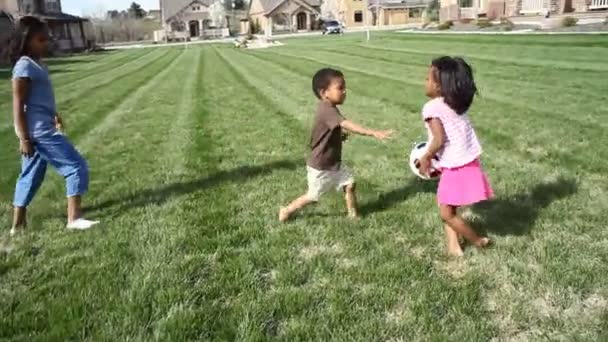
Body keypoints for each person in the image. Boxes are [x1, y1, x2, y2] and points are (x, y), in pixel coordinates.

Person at [9, 16, 98, 236]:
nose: (46, 43)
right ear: (26, 40)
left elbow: (39, 99)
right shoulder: (23, 67)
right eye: (41, 39)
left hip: (42, 128)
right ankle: (74, 219)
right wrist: (24, 138)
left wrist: (55, 114)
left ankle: (17, 226)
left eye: (47, 39)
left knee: (29, 177)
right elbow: (19, 106)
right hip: (41, 133)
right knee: (76, 166)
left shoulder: (38, 64)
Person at [279, 68, 393, 222]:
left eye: (344, 87)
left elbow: (331, 130)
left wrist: (340, 137)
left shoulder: (329, 108)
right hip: (321, 165)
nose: (345, 91)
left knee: (350, 184)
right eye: (340, 88)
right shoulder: (327, 110)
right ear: (324, 92)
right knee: (313, 197)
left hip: (333, 162)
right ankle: (286, 210)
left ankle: (353, 215)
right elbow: (346, 123)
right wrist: (372, 132)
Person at [419, 56, 493, 256]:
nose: (424, 82)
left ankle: (477, 240)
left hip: (456, 167)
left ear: (440, 87)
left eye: (427, 79)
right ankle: (453, 247)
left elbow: (439, 139)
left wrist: (426, 157)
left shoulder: (432, 107)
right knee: (446, 202)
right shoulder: (454, 104)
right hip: (468, 162)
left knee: (447, 213)